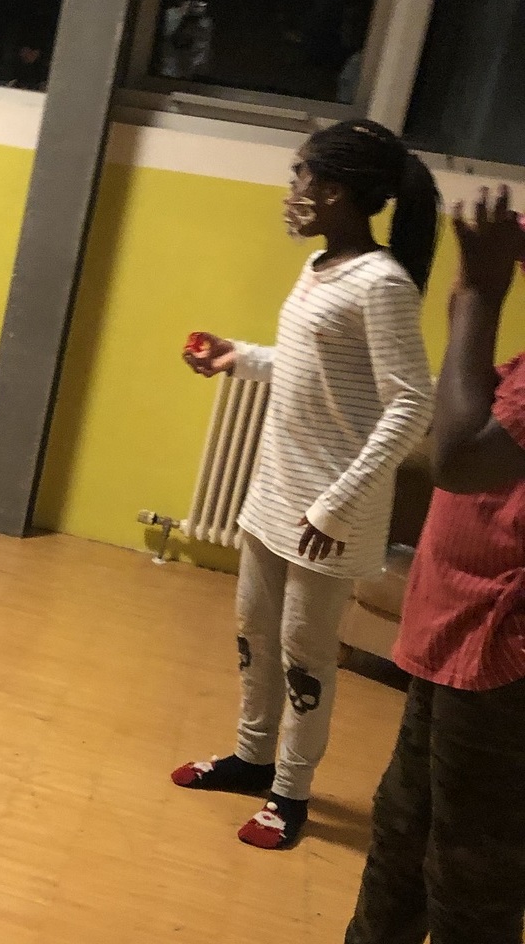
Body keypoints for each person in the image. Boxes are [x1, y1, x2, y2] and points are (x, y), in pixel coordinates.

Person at [232, 188, 525, 944]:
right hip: (462, 630)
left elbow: (460, 455)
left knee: (474, 881)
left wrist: (477, 294)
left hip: (508, 656)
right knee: (404, 826)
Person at [175, 120, 439, 849]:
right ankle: (252, 758)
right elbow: (308, 367)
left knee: (305, 654)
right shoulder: (323, 266)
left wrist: (336, 505)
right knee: (254, 632)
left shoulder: (382, 284)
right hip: (274, 494)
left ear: (339, 190)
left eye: (304, 177)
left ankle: (290, 792)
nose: (293, 190)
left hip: (330, 512)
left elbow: (410, 404)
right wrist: (238, 357)